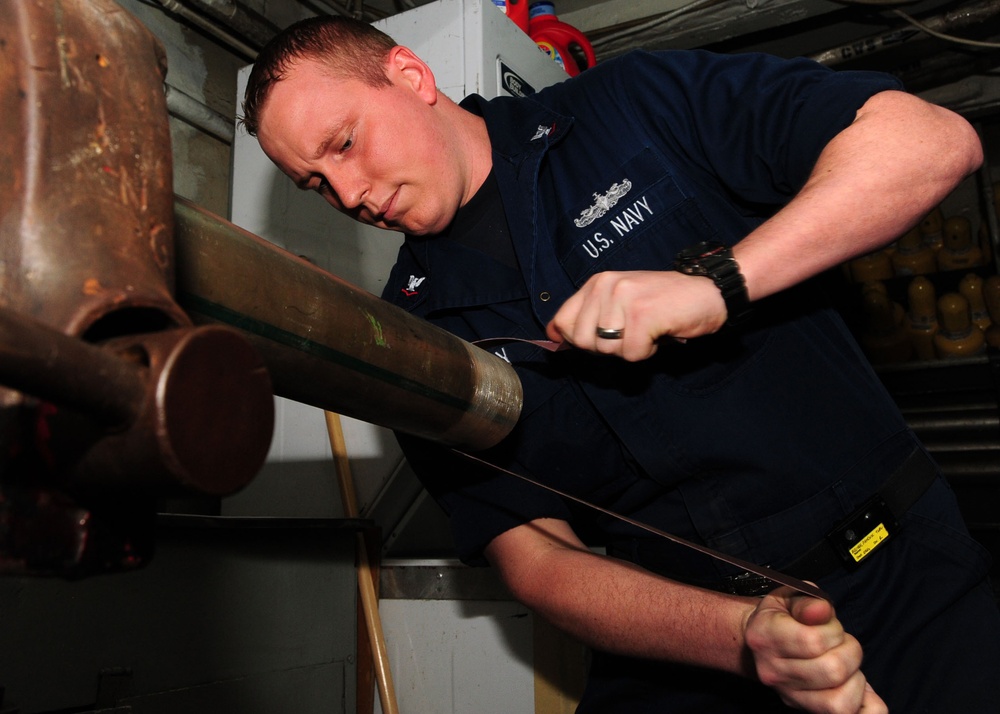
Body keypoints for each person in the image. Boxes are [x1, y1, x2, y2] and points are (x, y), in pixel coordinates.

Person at [240, 14, 1000, 713]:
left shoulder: (632, 107)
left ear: (409, 77)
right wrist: (741, 634)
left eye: (344, 144)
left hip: (905, 579)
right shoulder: (414, 334)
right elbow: (534, 557)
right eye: (317, 184)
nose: (349, 193)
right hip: (692, 644)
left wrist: (718, 285)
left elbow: (930, 140)